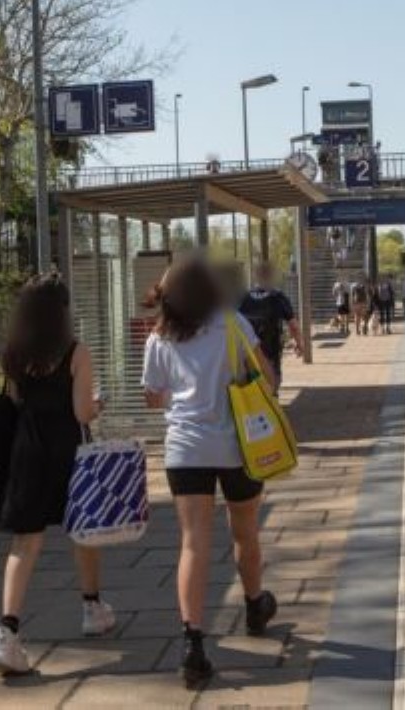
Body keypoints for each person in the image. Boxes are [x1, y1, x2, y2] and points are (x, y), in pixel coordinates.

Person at [141, 257, 279, 687]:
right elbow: (269, 379)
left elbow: (153, 397)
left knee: (193, 544)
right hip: (238, 445)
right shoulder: (233, 324)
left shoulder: (159, 335)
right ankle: (255, 605)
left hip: (185, 450)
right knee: (245, 532)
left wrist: (182, 393)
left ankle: (192, 644)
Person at [0, 274, 115, 677]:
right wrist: (98, 404)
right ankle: (92, 608)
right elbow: (82, 412)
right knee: (83, 531)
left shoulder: (14, 354)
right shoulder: (76, 352)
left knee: (24, 543)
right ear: (61, 311)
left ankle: (7, 634)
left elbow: (14, 400)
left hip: (26, 452)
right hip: (69, 453)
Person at [238, 263, 304, 388]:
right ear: (272, 276)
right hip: (271, 352)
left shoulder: (244, 298)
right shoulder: (278, 297)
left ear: (256, 276)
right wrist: (299, 343)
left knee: (251, 387)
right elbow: (293, 326)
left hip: (248, 355)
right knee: (271, 385)